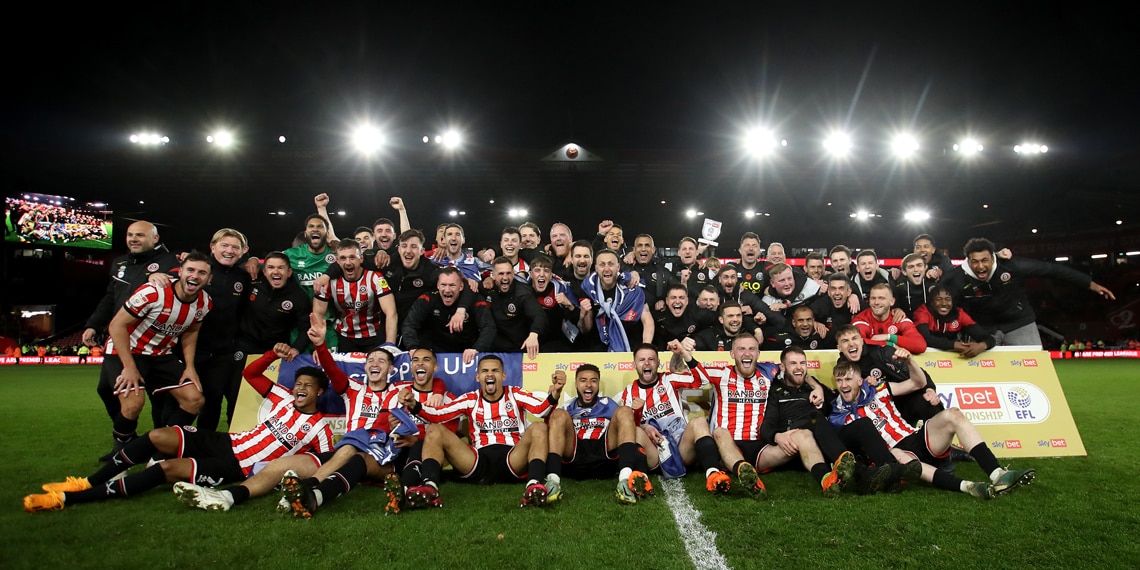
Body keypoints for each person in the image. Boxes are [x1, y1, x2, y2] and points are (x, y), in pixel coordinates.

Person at [25, 343, 333, 512]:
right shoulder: (280, 395)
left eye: (308, 385)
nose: (299, 387)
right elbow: (251, 373)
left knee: (168, 469)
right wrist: (270, 355)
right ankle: (85, 482)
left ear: (320, 392)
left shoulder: (319, 427)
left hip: (238, 465)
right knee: (159, 435)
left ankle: (71, 499)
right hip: (227, 441)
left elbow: (322, 463)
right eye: (298, 383)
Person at [828, 358, 1036, 498]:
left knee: (953, 414)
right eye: (839, 380)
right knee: (902, 458)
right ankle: (969, 487)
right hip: (895, 453)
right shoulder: (840, 413)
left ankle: (997, 473)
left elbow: (919, 382)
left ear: (859, 380)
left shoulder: (880, 388)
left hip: (916, 437)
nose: (844, 384)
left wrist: (910, 361)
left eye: (848, 379)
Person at [398, 354, 565, 508]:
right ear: (478, 377)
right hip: (477, 462)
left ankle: (533, 486)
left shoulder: (515, 393)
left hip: (512, 458)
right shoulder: (470, 399)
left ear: (503, 376)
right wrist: (414, 405)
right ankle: (430, 487)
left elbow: (540, 410)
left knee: (539, 427)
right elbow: (436, 416)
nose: (490, 374)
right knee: (434, 430)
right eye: (485, 371)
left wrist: (555, 393)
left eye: (495, 371)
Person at [99, 252, 215, 459]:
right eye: (190, 270)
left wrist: (190, 367)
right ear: (180, 272)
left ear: (209, 278)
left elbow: (191, 331)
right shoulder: (153, 292)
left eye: (202, 272)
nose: (195, 276)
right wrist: (129, 367)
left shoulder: (204, 302)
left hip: (161, 354)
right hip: (126, 352)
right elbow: (116, 325)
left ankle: (158, 447)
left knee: (194, 400)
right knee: (133, 404)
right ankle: (120, 455)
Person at [83, 220, 180, 458]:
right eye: (130, 235)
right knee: (106, 389)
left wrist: (169, 274)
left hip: (156, 342)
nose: (133, 239)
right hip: (122, 340)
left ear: (155, 239)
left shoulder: (173, 261)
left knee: (160, 397)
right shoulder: (120, 263)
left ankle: (161, 445)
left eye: (140, 235)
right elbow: (109, 297)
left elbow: (190, 277)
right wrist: (93, 324)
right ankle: (127, 439)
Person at [760, 346, 910, 495]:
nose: (799, 368)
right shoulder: (775, 391)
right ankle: (861, 474)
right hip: (803, 447)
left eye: (803, 363)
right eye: (793, 363)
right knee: (815, 418)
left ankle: (893, 472)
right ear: (782, 367)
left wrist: (866, 384)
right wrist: (777, 436)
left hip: (827, 439)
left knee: (863, 424)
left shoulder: (812, 386)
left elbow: (839, 400)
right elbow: (767, 425)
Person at [941, 237, 1115, 347]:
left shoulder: (1012, 265)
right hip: (983, 328)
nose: (980, 266)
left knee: (1034, 370)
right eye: (975, 262)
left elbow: (1052, 270)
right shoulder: (956, 278)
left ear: (993, 258)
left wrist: (1090, 284)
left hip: (1019, 323)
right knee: (977, 374)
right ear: (968, 261)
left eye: (985, 260)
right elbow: (935, 299)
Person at [617, 343, 733, 494]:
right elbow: (628, 429)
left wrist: (684, 353)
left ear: (658, 363)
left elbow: (702, 380)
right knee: (637, 431)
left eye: (651, 359)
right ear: (634, 364)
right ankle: (641, 478)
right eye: (642, 360)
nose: (647, 363)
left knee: (699, 422)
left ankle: (713, 474)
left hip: (681, 448)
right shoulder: (628, 393)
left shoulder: (669, 379)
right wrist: (643, 424)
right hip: (654, 454)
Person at [545, 364, 657, 504]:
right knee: (558, 415)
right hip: (575, 455)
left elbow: (628, 428)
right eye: (583, 380)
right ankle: (553, 482)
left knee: (625, 411)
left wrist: (637, 413)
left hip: (604, 453)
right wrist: (554, 396)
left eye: (593, 380)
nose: (588, 384)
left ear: (598, 384)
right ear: (576, 384)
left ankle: (624, 480)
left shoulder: (608, 404)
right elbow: (548, 429)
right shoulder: (567, 406)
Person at [192, 228, 253, 432]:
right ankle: (166, 447)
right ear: (212, 247)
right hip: (191, 349)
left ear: (243, 251)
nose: (229, 251)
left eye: (235, 247)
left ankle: (205, 446)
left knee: (213, 400)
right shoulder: (197, 270)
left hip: (223, 353)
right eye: (224, 245)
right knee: (181, 402)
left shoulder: (243, 276)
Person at [313, 239, 398, 352]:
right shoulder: (328, 282)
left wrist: (390, 345)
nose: (348, 263)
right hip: (344, 337)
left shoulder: (375, 277)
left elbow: (391, 312)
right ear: (337, 261)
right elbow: (317, 314)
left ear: (361, 258)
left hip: (373, 335)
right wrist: (320, 347)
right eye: (343, 258)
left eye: (352, 257)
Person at [402, 267, 494, 363]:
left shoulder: (474, 299)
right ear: (437, 285)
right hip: (435, 353)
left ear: (461, 286)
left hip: (466, 355)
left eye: (452, 285)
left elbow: (488, 327)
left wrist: (477, 349)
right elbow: (410, 324)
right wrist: (413, 347)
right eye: (443, 285)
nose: (447, 290)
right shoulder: (428, 298)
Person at [579, 250, 654, 352]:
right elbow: (585, 329)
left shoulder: (631, 287)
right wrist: (583, 315)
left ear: (618, 267)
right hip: (599, 350)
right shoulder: (588, 288)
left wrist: (646, 348)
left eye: (611, 264)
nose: (606, 269)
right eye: (602, 265)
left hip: (631, 349)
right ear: (596, 268)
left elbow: (647, 321)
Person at [484, 256, 545, 358]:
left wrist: (534, 334)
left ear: (513, 274)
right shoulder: (486, 287)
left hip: (519, 349)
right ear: (493, 275)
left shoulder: (523, 293)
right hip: (493, 349)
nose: (505, 278)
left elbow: (539, 315)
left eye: (508, 273)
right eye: (501, 274)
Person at [913, 285, 995, 358]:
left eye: (948, 299)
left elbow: (988, 338)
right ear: (932, 303)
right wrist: (954, 345)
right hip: (927, 357)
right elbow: (925, 339)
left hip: (954, 358)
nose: (944, 303)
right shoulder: (923, 312)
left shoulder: (960, 314)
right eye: (939, 299)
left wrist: (981, 346)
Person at [851, 283, 927, 354]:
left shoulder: (898, 318)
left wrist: (890, 337)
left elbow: (920, 345)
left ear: (892, 301)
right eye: (873, 298)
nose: (876, 302)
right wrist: (890, 345)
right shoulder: (861, 320)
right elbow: (857, 343)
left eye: (881, 298)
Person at [654, 284, 717, 351]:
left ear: (687, 301)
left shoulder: (697, 314)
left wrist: (696, 343)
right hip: (666, 356)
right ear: (667, 301)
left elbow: (719, 322)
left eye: (681, 298)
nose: (677, 301)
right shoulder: (658, 316)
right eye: (673, 298)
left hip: (691, 353)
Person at [892, 253, 938, 318]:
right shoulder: (899, 288)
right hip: (907, 324)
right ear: (904, 272)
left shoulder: (933, 284)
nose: (916, 269)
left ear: (925, 267)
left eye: (919, 265)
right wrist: (897, 309)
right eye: (911, 267)